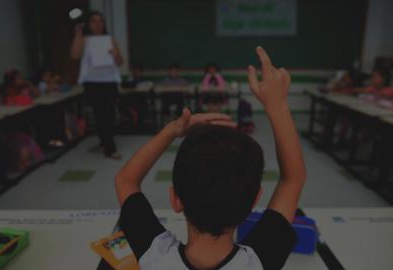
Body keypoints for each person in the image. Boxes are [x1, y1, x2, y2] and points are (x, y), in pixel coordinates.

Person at [114, 47, 306, 269]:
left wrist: (171, 130)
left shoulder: (154, 255)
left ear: (175, 199)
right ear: (254, 202)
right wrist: (278, 105)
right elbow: (293, 179)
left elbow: (125, 180)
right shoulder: (260, 262)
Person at [70, 10, 123, 159]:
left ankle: (104, 141)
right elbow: (74, 55)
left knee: (108, 114)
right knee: (100, 115)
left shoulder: (110, 39)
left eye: (100, 21)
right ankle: (110, 147)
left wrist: (116, 55)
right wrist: (78, 35)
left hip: (110, 82)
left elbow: (120, 62)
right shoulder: (85, 39)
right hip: (92, 83)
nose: (97, 24)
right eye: (94, 21)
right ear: (89, 23)